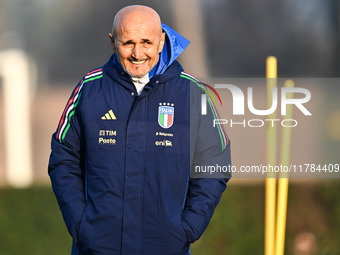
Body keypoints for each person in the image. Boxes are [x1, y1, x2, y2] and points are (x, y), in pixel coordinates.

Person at [48, 5, 231, 255]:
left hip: (166, 248)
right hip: (97, 248)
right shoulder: (89, 90)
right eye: (128, 43)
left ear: (161, 41)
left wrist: (187, 228)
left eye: (146, 42)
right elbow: (63, 160)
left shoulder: (192, 93)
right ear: (112, 42)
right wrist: (81, 226)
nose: (137, 53)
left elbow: (214, 164)